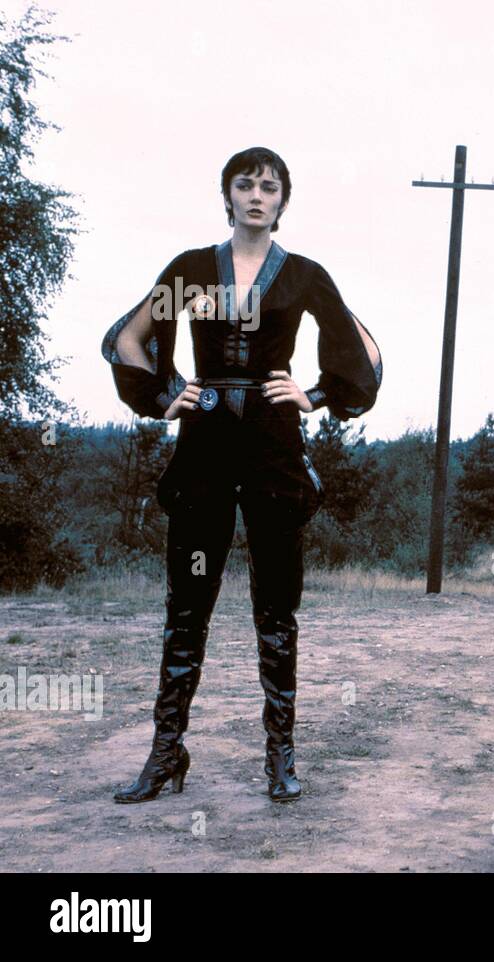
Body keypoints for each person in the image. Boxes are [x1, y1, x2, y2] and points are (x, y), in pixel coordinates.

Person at [105, 146, 382, 804]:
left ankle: (280, 759)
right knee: (186, 606)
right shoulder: (193, 269)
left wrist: (314, 394)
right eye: (245, 184)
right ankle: (165, 754)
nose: (257, 195)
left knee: (276, 607)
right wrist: (167, 392)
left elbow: (364, 353)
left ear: (283, 200)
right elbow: (127, 337)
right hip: (204, 444)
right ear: (227, 195)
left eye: (270, 185)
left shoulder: (304, 275)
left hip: (272, 446)